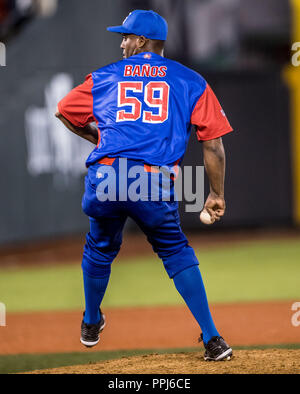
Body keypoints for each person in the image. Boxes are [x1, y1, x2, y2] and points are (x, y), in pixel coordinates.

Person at [55, 9, 233, 361]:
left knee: (100, 246)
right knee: (175, 250)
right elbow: (212, 144)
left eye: (125, 37)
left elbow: (64, 110)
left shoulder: (105, 76)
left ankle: (91, 321)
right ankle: (213, 339)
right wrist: (215, 193)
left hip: (106, 178)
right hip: (152, 181)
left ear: (141, 41)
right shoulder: (190, 81)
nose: (121, 44)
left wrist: (98, 137)